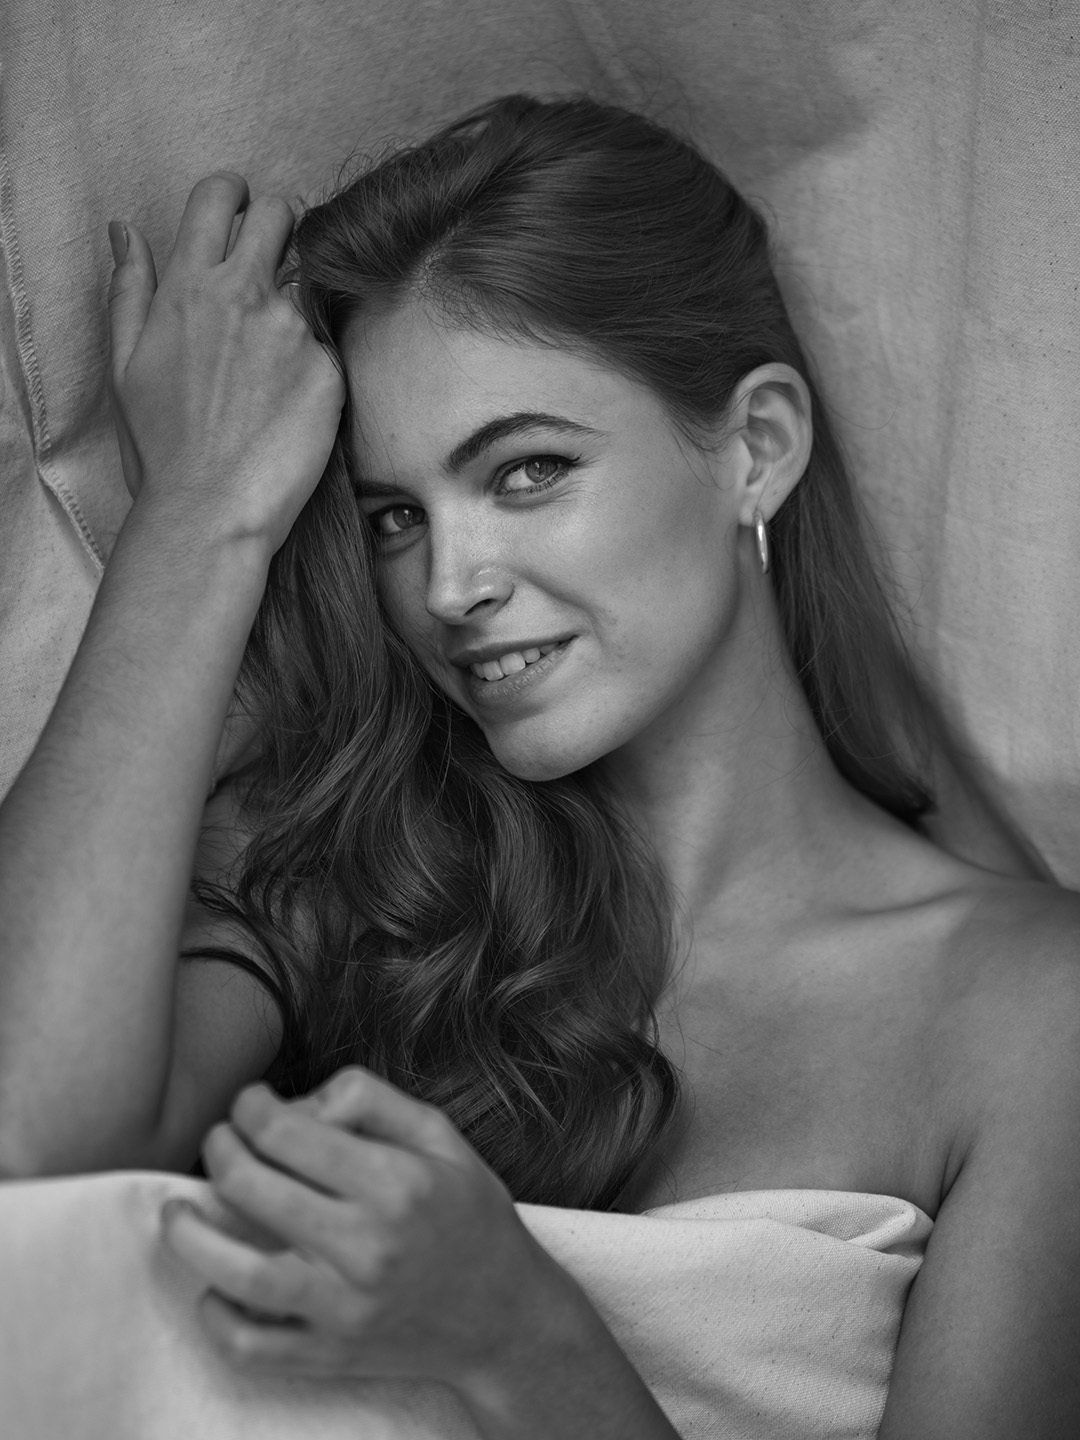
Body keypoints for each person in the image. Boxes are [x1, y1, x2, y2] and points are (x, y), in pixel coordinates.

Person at [0, 94, 1077, 1438]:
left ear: (756, 448)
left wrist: (518, 1340)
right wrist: (200, 515)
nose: (449, 586)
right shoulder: (361, 880)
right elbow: (20, 1155)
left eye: (525, 472)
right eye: (395, 518)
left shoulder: (1033, 1012)